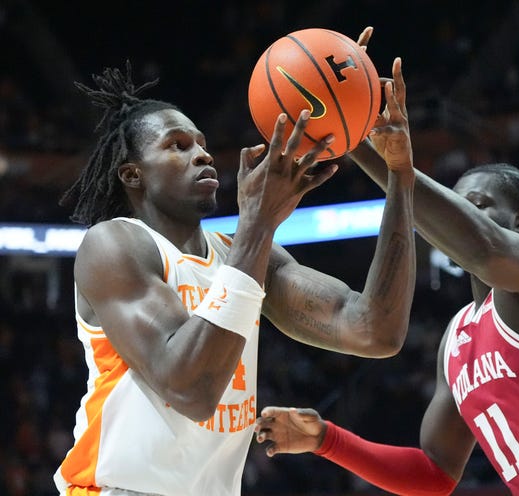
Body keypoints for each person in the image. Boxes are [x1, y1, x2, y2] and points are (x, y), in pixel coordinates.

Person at [254, 46, 519, 495]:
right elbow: (434, 472)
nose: (461, 213)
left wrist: (389, 163)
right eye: (456, 204)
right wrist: (327, 440)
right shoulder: (457, 338)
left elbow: (482, 248)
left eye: (479, 205)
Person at [53, 56, 416, 496]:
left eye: (202, 143)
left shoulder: (243, 251)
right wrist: (258, 225)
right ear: (133, 174)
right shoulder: (113, 245)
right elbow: (191, 391)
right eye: (178, 145)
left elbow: (375, 329)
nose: (202, 154)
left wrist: (400, 176)